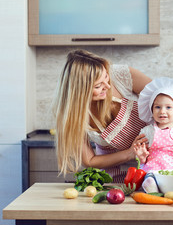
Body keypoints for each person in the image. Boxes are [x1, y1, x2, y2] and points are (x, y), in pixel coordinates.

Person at [52, 49, 152, 183]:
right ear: (81, 91)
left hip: (155, 160)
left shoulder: (120, 75)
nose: (107, 86)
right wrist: (130, 153)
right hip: (115, 172)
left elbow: (168, 98)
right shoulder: (70, 114)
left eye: (106, 77)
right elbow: (89, 160)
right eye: (98, 86)